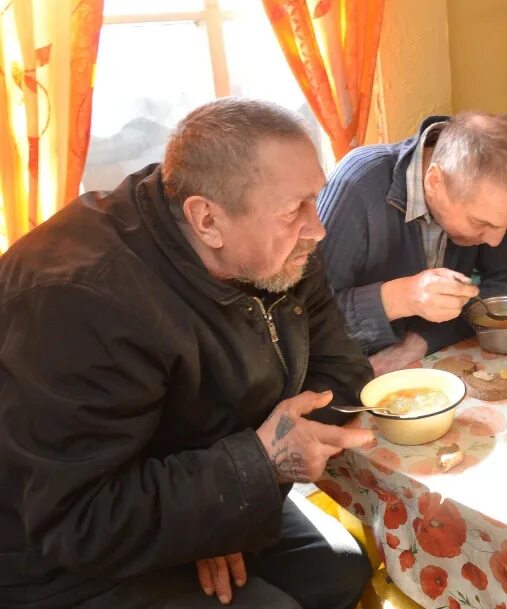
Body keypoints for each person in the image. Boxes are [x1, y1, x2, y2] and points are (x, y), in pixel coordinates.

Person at [0, 99, 377, 609]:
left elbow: (339, 372)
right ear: (206, 220)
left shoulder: (279, 250)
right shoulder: (79, 300)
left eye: (316, 198)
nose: (318, 228)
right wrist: (245, 477)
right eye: (294, 211)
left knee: (340, 573)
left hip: (193, 487)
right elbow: (78, 519)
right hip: (57, 557)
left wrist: (222, 510)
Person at [318, 112, 507, 374]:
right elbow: (308, 325)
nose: (496, 240)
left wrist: (419, 343)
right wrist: (403, 297)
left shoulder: (494, 198)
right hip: (350, 374)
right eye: (481, 223)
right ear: (435, 182)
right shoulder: (357, 183)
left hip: (429, 362)